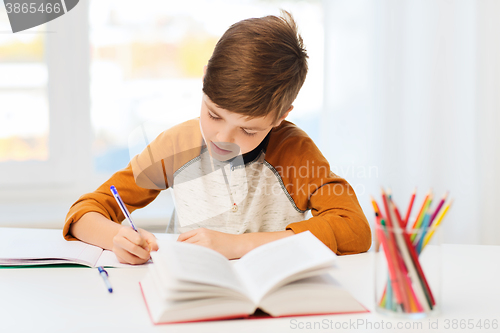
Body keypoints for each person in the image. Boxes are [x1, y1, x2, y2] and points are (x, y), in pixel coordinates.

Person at [63, 10, 371, 264]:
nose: (223, 137)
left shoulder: (295, 152)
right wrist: (117, 238)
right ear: (204, 76)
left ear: (280, 117)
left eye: (248, 130)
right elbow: (84, 213)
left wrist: (240, 246)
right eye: (213, 114)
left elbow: (354, 228)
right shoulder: (177, 146)